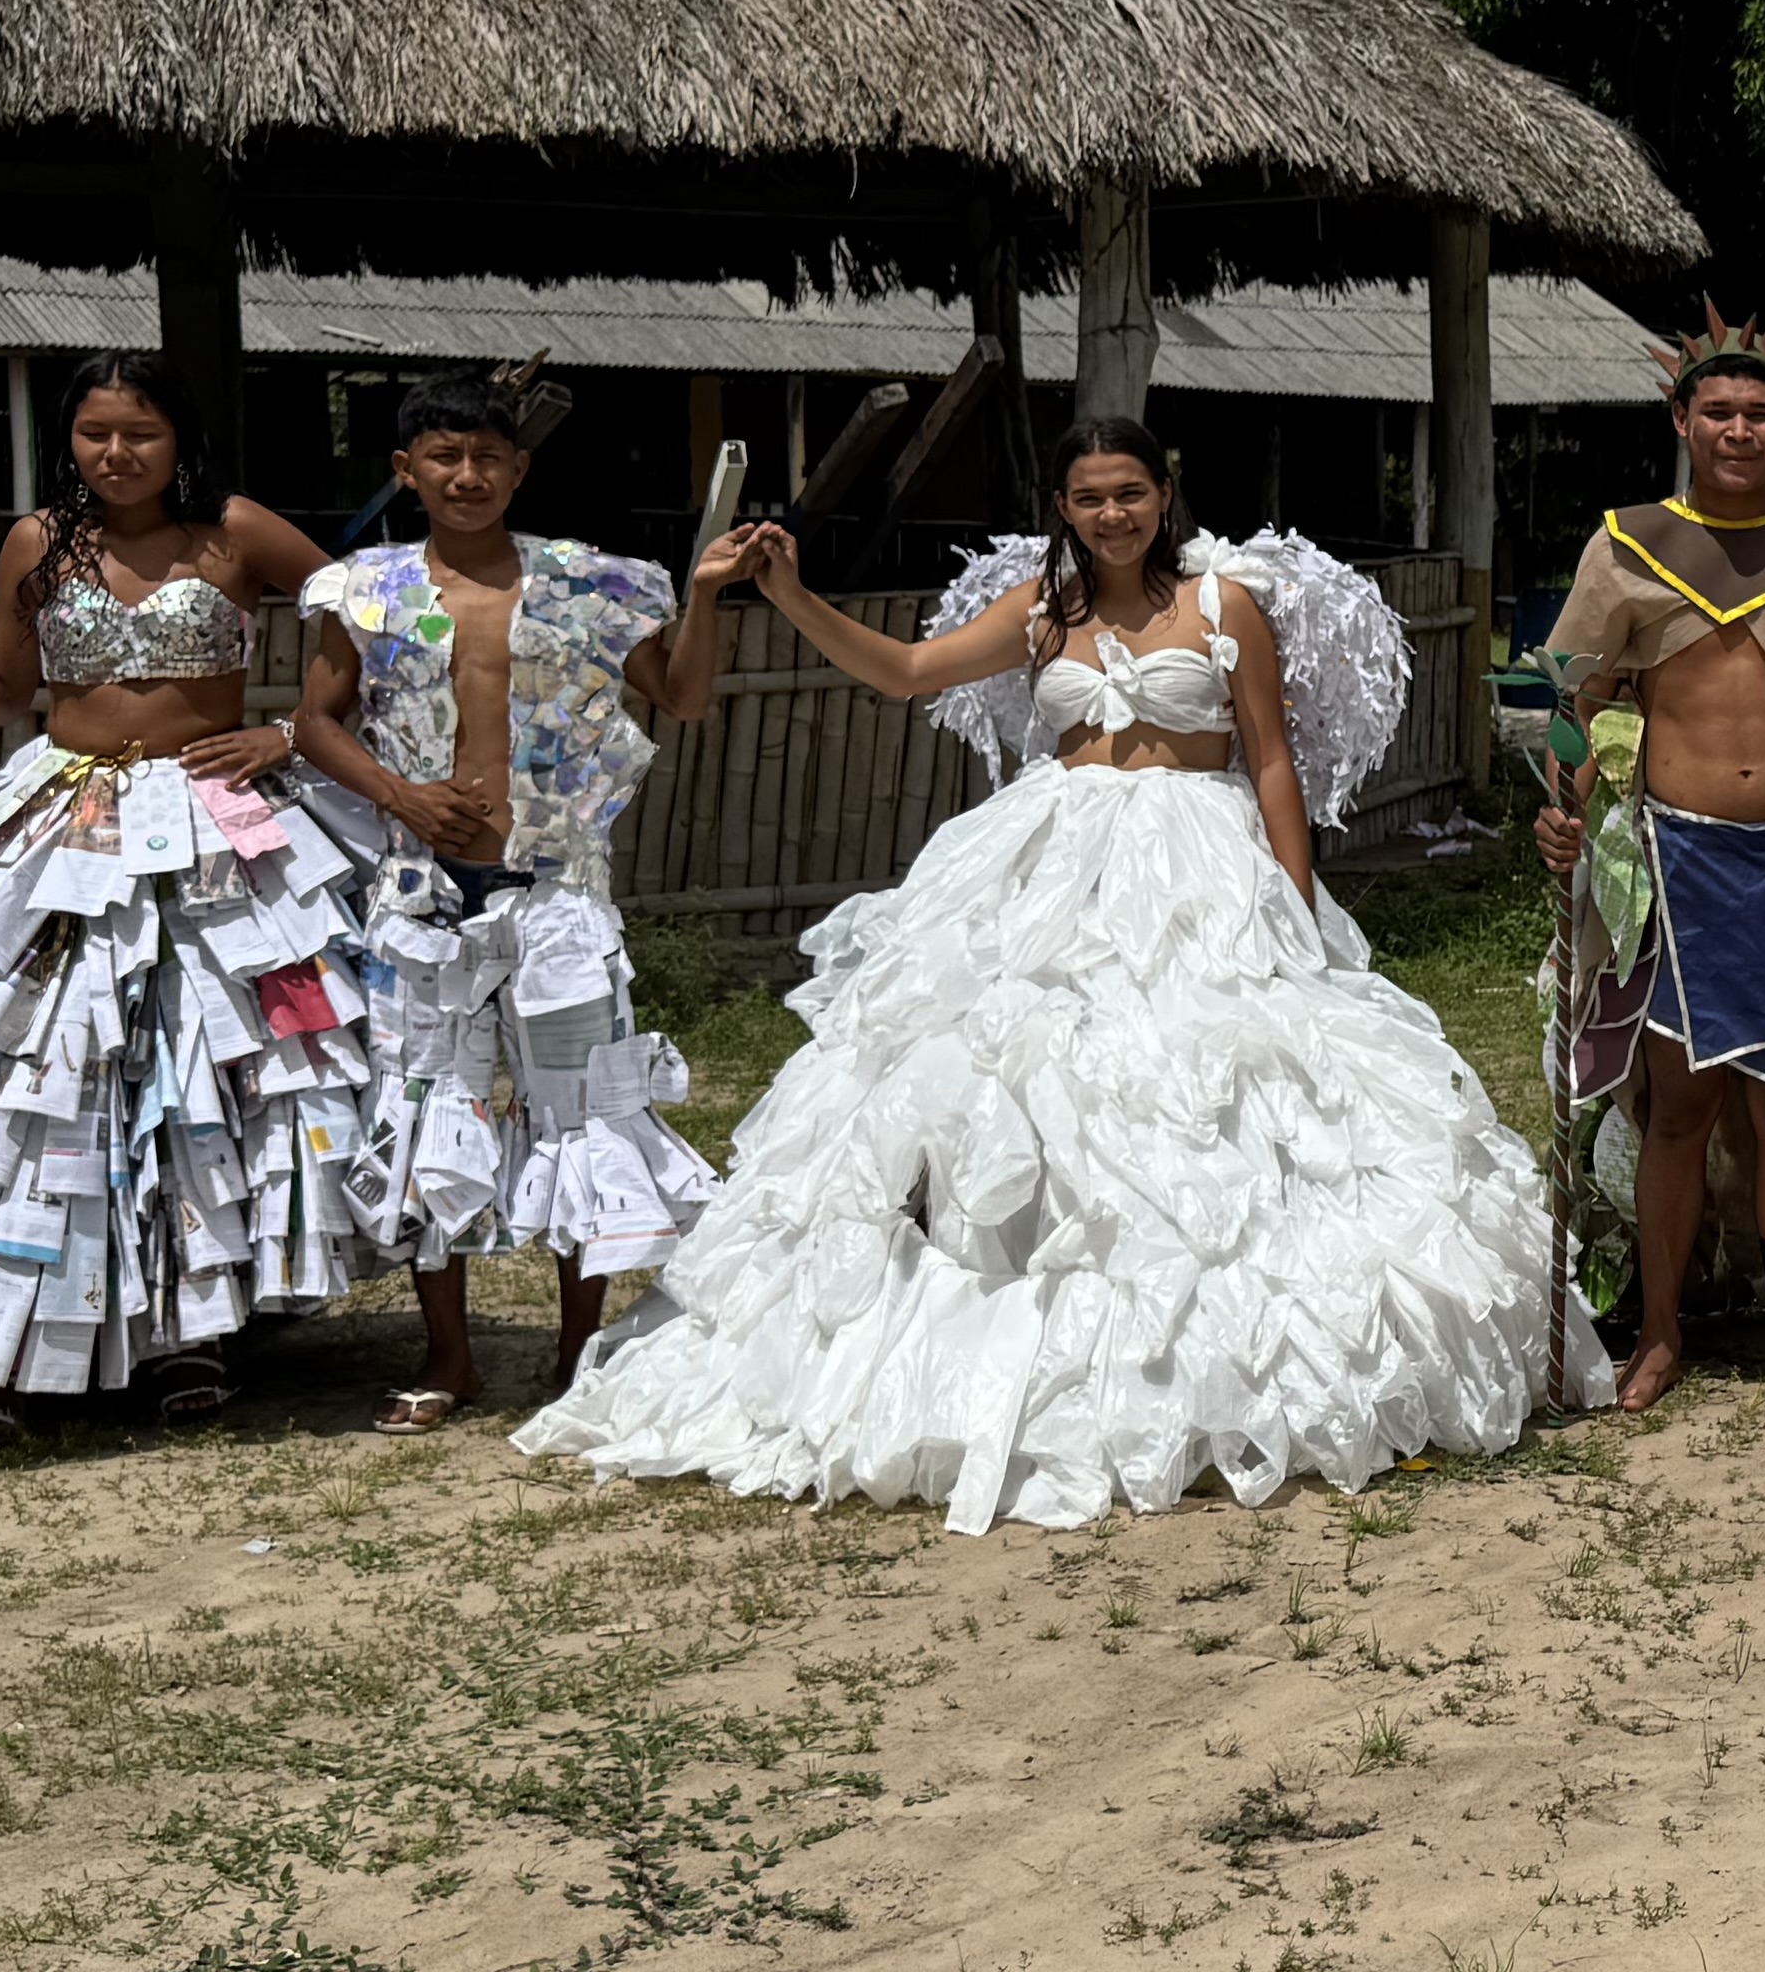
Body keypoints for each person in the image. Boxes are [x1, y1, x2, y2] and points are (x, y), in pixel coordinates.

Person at [519, 420, 1595, 1531]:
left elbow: (1270, 757)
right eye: (1090, 498)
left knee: (1218, 1093)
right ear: (1064, 508)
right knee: (1002, 1071)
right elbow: (905, 671)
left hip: (1199, 867)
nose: (1113, 515)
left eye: (1131, 492)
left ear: (1164, 493)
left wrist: (1297, 903)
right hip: (1051, 863)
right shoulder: (1042, 607)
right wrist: (788, 593)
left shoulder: (1229, 604)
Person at [0, 354, 362, 1429]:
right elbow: (4, 693)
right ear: (69, 440)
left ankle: (195, 1334)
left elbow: (371, 615)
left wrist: (291, 730)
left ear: (179, 439)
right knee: (26, 1069)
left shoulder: (235, 531)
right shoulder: (39, 542)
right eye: (95, 434)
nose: (117, 454)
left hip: (205, 825)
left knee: (204, 1074)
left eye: (140, 432)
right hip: (61, 827)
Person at [290, 373, 740, 1433]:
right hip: (421, 894)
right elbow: (316, 723)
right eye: (443, 457)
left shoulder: (596, 586)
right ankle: (449, 1355)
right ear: (407, 471)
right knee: (421, 1112)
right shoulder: (363, 590)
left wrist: (710, 591)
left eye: (487, 457)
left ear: (519, 469)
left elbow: (680, 695)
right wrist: (398, 793)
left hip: (560, 888)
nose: (467, 475)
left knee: (580, 1114)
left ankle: (579, 1348)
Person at [1537, 319, 1765, 1417]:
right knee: (1678, 1113)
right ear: (1682, 422)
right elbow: (1579, 699)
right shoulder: (1625, 544)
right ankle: (1658, 1333)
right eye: (1719, 413)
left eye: (1761, 413)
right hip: (1672, 861)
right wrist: (1562, 815)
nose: (1740, 430)